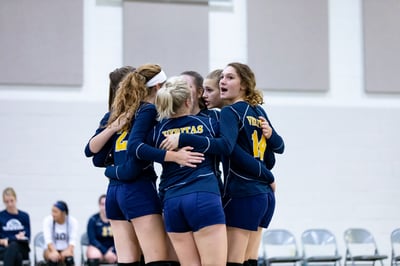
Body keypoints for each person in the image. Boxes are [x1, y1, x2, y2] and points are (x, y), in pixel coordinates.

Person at [160, 62, 284, 266]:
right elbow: (273, 155)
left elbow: (229, 148)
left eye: (210, 89)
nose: (204, 95)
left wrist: (184, 138)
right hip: (264, 196)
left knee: (231, 262)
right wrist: (267, 172)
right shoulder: (257, 110)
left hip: (243, 192)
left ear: (242, 84)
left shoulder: (228, 114)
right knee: (249, 260)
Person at [88, 64, 202, 266]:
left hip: (114, 192)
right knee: (158, 259)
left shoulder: (119, 112)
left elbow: (95, 156)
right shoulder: (148, 110)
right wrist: (172, 155)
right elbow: (131, 153)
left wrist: (110, 170)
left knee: (128, 260)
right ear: (158, 87)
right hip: (137, 188)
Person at [0, 187, 31, 266]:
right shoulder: (1, 216)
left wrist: (8, 239)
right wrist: (15, 237)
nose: (10, 204)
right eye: (7, 202)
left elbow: (27, 237)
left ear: (16, 199)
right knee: (17, 256)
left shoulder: (24, 216)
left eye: (11, 201)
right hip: (4, 249)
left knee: (14, 246)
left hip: (21, 247)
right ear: (4, 202)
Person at [43, 200, 79, 266]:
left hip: (66, 249)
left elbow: (73, 240)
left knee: (69, 259)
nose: (53, 214)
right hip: (51, 249)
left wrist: (68, 250)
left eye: (55, 212)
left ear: (63, 213)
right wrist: (54, 251)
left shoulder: (72, 221)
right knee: (53, 258)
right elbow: (48, 240)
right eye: (52, 211)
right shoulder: (48, 220)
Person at [86, 194, 117, 266]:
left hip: (113, 248)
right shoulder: (93, 220)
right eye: (102, 204)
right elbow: (92, 239)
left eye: (107, 204)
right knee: (93, 254)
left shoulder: (116, 219)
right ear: (99, 205)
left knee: (126, 254)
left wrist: (113, 251)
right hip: (98, 248)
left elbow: (121, 238)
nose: (105, 207)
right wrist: (105, 252)